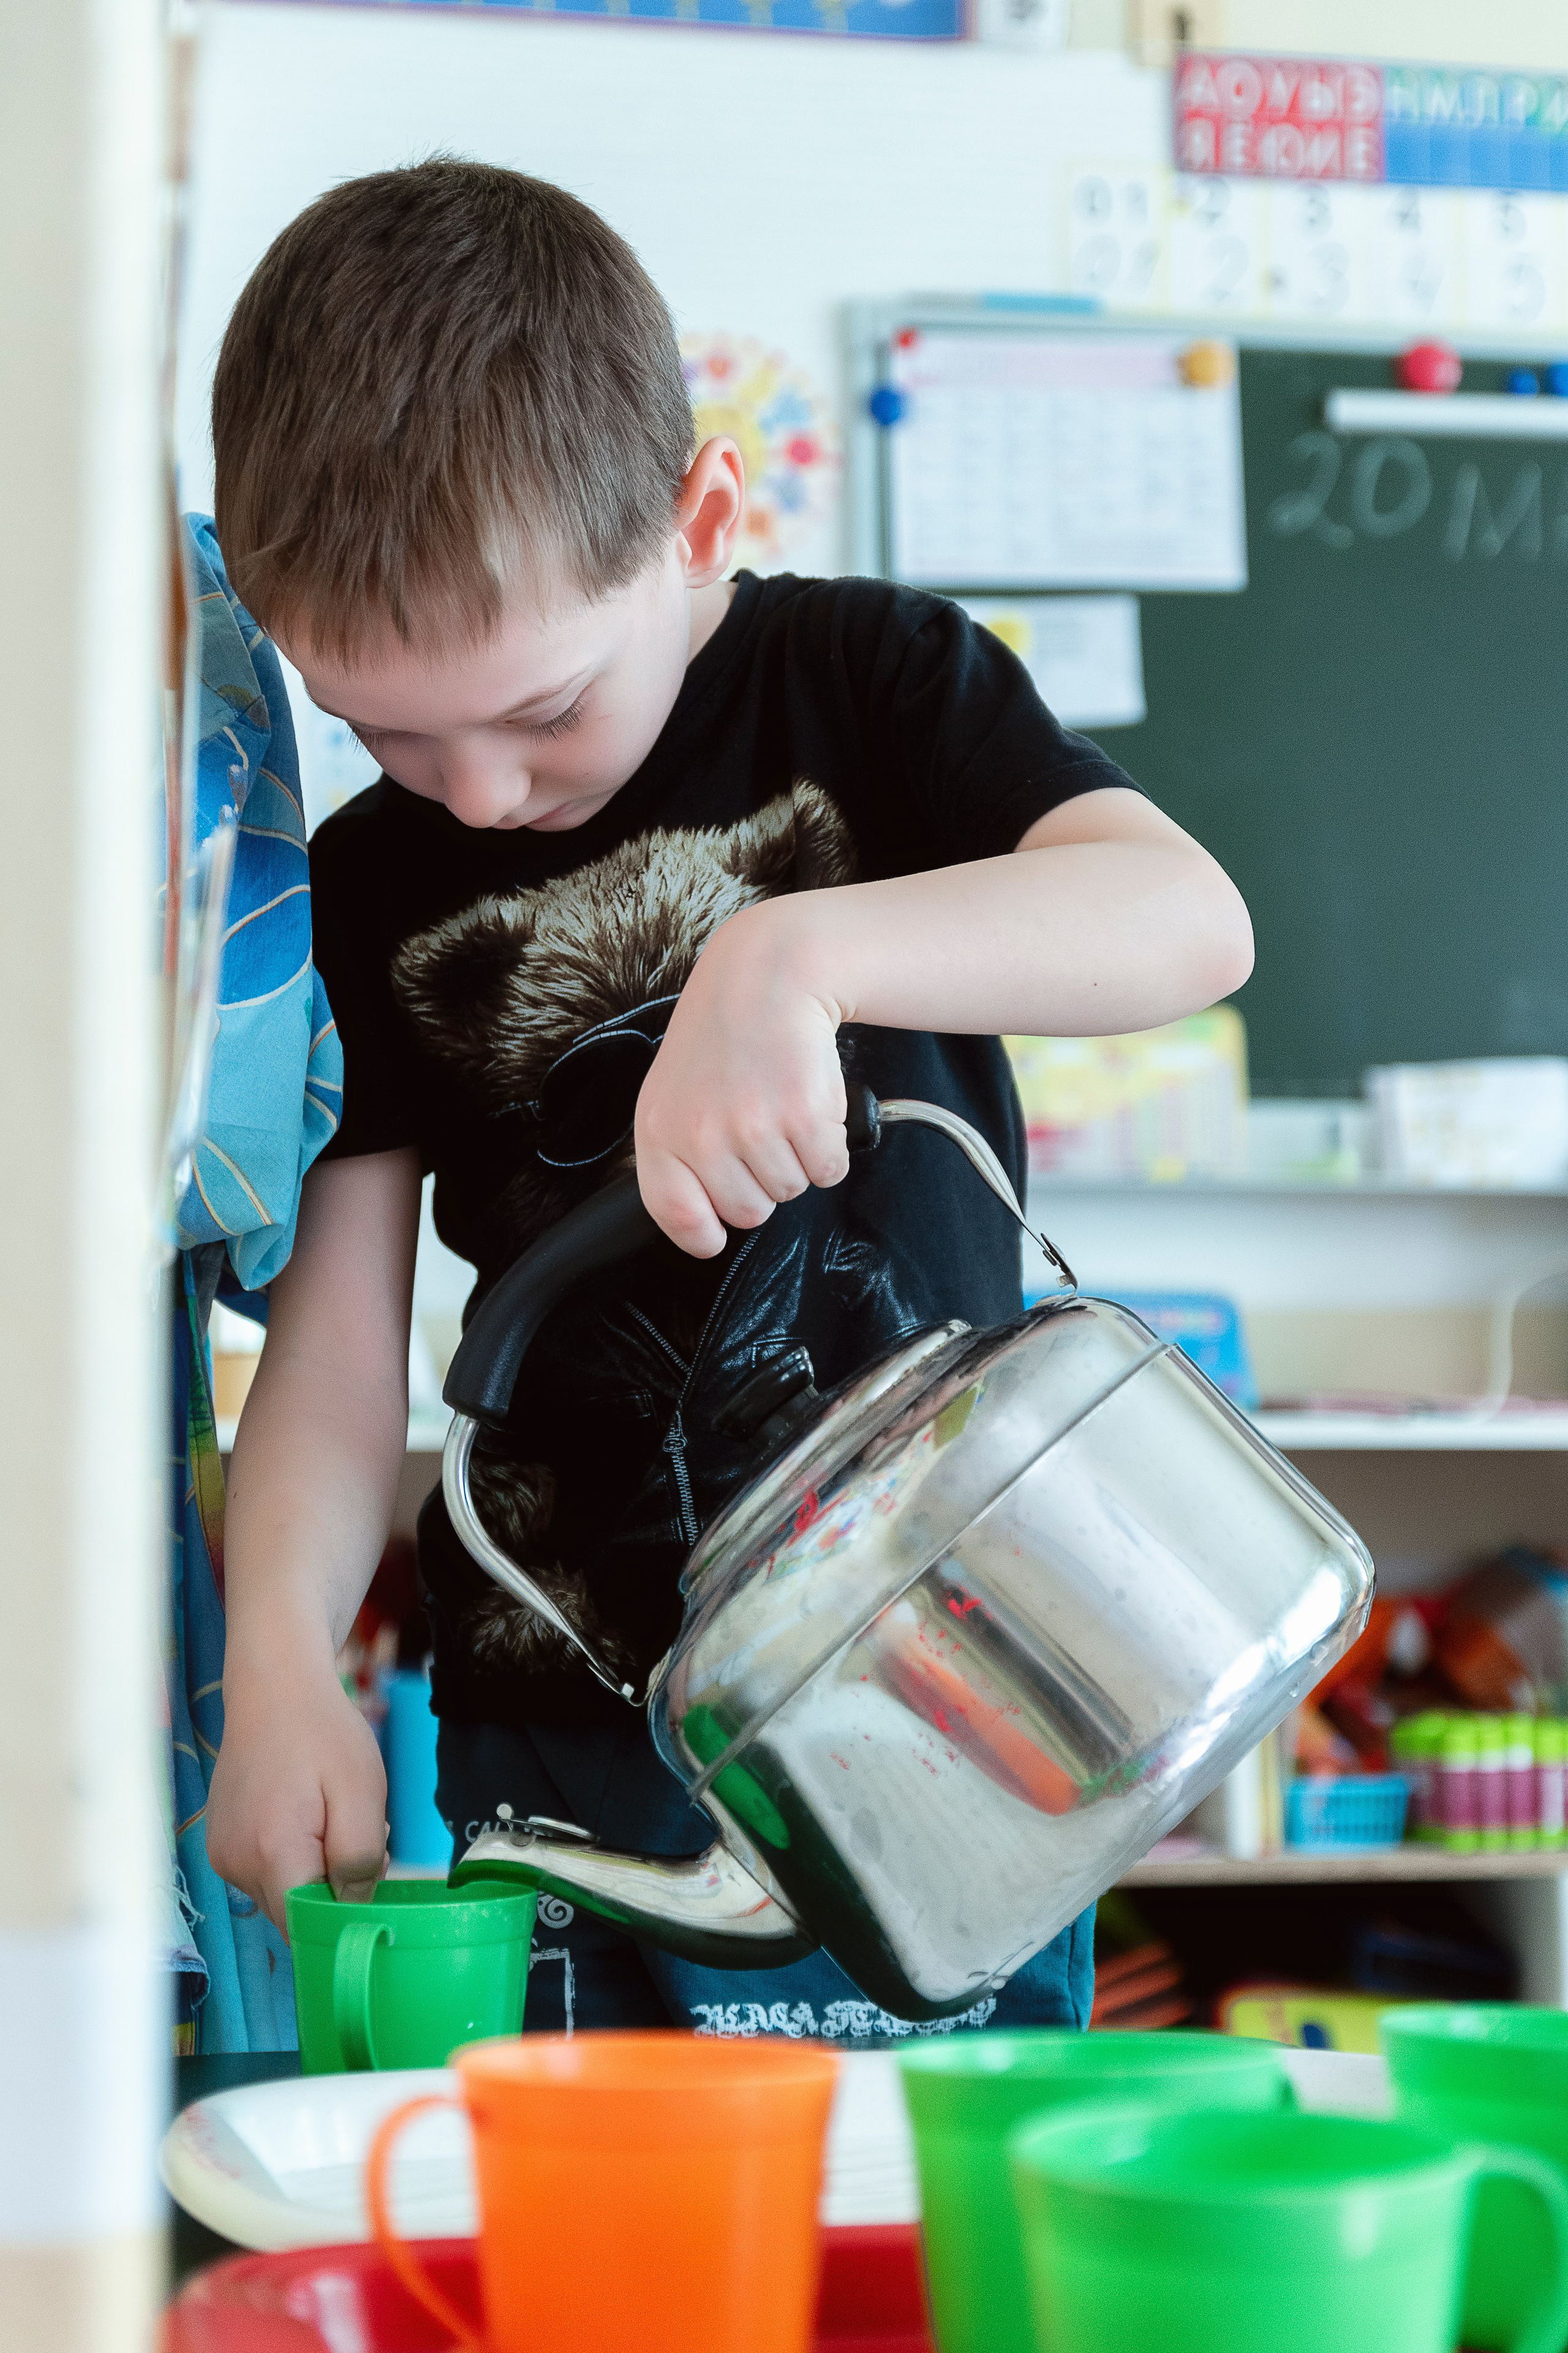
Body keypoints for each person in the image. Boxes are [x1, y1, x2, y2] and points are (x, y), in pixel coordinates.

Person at [204, 159, 1253, 2041]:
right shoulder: (367, 884)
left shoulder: (870, 682)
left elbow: (1190, 918)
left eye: (540, 713)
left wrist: (801, 959)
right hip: (563, 1692)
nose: (475, 796)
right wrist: (280, 1663)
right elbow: (341, 1339)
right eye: (385, 731)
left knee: (938, 2253)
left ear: (698, 521)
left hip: (952, 1672)